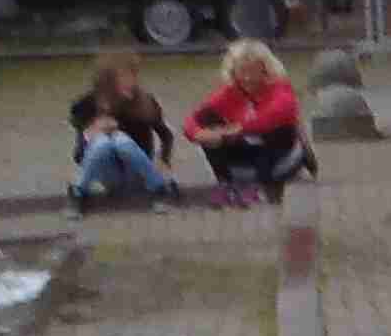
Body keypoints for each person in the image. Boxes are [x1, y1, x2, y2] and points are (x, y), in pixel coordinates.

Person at [183, 39, 308, 204]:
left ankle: (265, 189)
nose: (248, 78)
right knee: (210, 127)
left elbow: (277, 113)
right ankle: (225, 184)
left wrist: (238, 129)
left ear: (265, 70)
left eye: (253, 71)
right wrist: (199, 134)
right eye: (242, 71)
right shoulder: (229, 93)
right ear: (234, 72)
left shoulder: (280, 89)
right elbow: (194, 119)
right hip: (247, 152)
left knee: (274, 131)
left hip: (282, 156)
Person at [65, 56, 183, 211]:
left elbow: (166, 135)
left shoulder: (145, 102)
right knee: (103, 142)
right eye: (123, 78)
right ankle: (78, 192)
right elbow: (79, 156)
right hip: (109, 174)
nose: (131, 82)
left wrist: (163, 159)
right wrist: (92, 133)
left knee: (121, 141)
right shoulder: (88, 104)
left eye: (133, 76)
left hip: (137, 171)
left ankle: (159, 187)